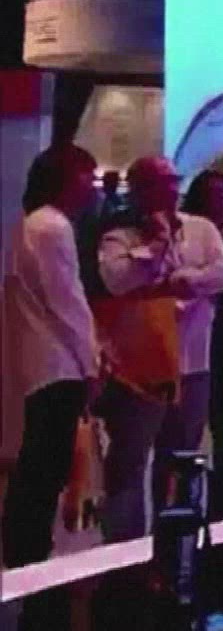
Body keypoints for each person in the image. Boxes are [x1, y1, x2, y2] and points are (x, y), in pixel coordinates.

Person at [91, 155, 223, 543]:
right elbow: (117, 281)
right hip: (140, 371)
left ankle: (171, 545)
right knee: (129, 462)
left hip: (193, 364)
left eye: (172, 181)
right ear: (137, 191)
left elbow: (221, 274)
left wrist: (184, 280)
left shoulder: (202, 229)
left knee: (179, 461)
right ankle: (125, 553)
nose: (169, 190)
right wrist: (156, 245)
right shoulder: (118, 238)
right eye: (157, 183)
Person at [2, 144, 100, 569]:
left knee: (37, 461)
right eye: (84, 175)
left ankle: (24, 545)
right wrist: (91, 362)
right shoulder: (53, 227)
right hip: (59, 362)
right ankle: (29, 551)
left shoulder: (29, 223)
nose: (91, 186)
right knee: (46, 464)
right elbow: (67, 301)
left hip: (41, 359)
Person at [182, 170, 223, 523]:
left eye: (222, 192)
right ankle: (183, 496)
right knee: (187, 419)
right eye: (211, 193)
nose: (218, 200)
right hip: (191, 332)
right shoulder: (188, 234)